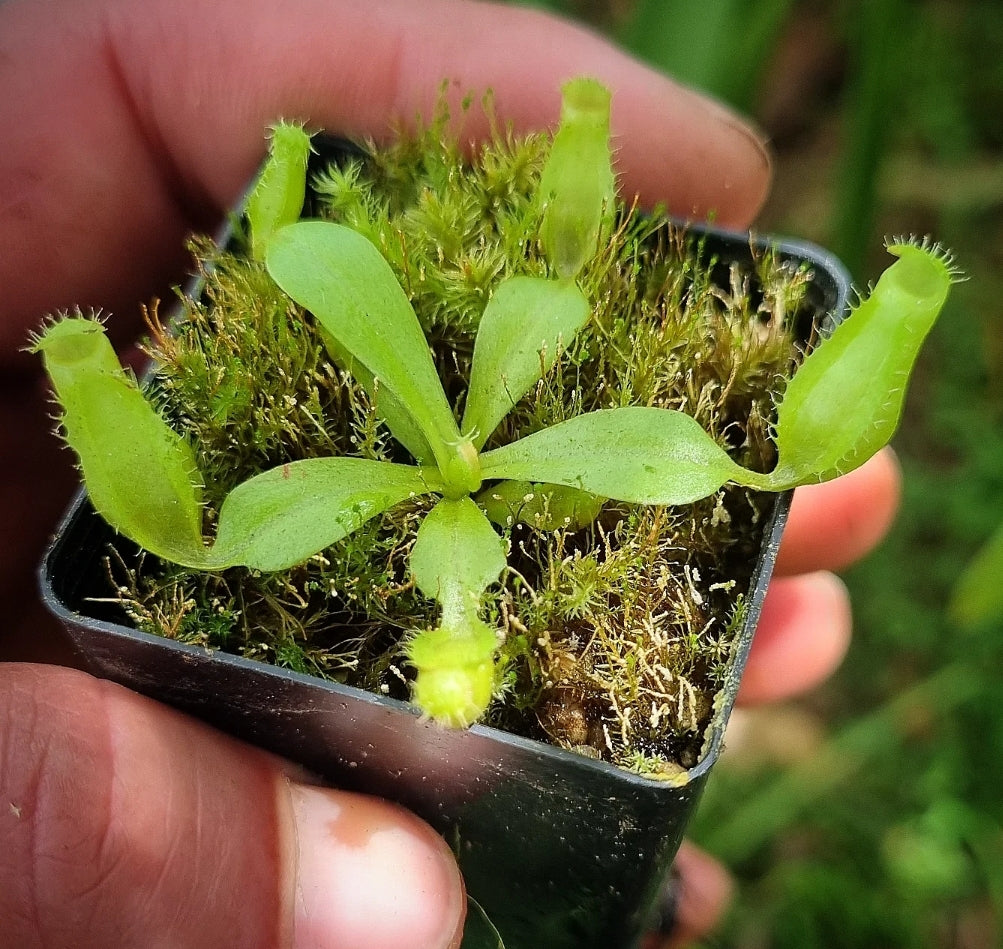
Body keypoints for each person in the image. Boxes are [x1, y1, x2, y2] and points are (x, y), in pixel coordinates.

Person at [0, 0, 902, 946]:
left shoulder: (553, 327)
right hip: (406, 442)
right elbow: (241, 502)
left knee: (689, 439)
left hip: (517, 431)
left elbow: (609, 386)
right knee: (217, 524)